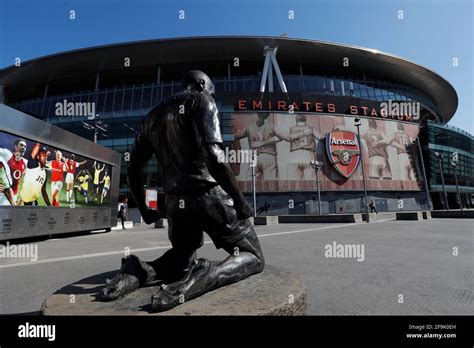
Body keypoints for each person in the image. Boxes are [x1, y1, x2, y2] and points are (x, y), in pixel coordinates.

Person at [99, 70, 265, 312]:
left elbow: (133, 167)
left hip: (176, 202)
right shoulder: (201, 100)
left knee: (180, 260)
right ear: (200, 84)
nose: (212, 95)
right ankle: (207, 274)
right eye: (211, 90)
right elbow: (214, 156)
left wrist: (145, 209)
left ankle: (137, 271)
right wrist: (240, 201)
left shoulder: (152, 116)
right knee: (254, 256)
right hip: (208, 194)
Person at [0, 138, 28, 205]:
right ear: (15, 147)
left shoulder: (25, 162)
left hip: (13, 195)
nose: (23, 147)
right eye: (21, 145)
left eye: (25, 146)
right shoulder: (7, 154)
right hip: (2, 194)